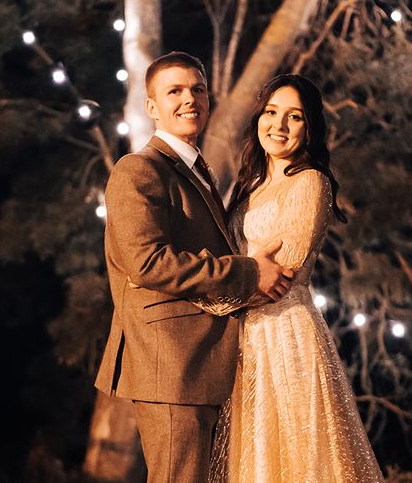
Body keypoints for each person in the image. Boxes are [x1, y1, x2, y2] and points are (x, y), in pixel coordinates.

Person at [94, 52, 294, 483]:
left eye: (197, 89)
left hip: (203, 363)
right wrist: (248, 273)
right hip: (170, 365)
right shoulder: (137, 170)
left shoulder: (195, 169)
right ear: (152, 107)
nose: (190, 99)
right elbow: (148, 263)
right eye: (175, 91)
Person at [205, 74, 385, 483]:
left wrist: (208, 298)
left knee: (300, 461)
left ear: (310, 128)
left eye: (294, 117)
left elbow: (279, 277)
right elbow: (245, 266)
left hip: (287, 338)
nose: (278, 126)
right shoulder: (248, 189)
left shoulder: (310, 183)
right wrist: (239, 270)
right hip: (247, 344)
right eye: (270, 113)